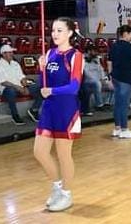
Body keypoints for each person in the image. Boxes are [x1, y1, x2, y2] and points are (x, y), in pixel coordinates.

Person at [33, 17, 84, 212]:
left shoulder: (75, 55)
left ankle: (67, 195)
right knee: (39, 152)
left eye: (60, 30)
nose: (55, 33)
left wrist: (52, 92)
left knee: (64, 156)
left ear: (70, 33)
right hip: (49, 109)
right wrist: (41, 68)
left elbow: (74, 87)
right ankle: (57, 186)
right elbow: (43, 84)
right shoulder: (50, 53)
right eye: (53, 30)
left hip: (66, 110)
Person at [0, 44, 43, 125]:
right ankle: (15, 115)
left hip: (21, 87)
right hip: (8, 89)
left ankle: (34, 110)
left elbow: (22, 77)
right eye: (10, 52)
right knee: (11, 91)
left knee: (41, 87)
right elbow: (3, 82)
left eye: (12, 52)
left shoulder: (15, 63)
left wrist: (25, 86)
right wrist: (18, 87)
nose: (12, 54)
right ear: (3, 54)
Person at [80, 46, 106, 116]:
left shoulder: (97, 59)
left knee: (111, 85)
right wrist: (96, 79)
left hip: (96, 79)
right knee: (97, 84)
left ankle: (107, 103)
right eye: (94, 51)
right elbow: (85, 72)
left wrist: (104, 78)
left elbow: (100, 69)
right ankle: (99, 105)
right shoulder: (82, 58)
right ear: (89, 51)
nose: (96, 53)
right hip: (85, 80)